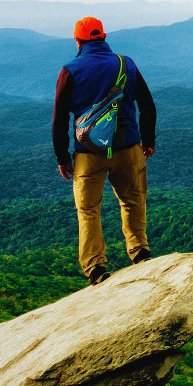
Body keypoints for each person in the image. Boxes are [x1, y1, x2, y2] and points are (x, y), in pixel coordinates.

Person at [53, 16, 158, 285]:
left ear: (77, 40)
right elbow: (147, 105)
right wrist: (148, 140)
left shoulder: (70, 69)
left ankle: (96, 269)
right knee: (132, 201)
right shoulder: (126, 63)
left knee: (88, 211)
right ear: (104, 36)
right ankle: (140, 253)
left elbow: (59, 118)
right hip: (128, 149)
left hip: (88, 155)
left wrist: (63, 157)